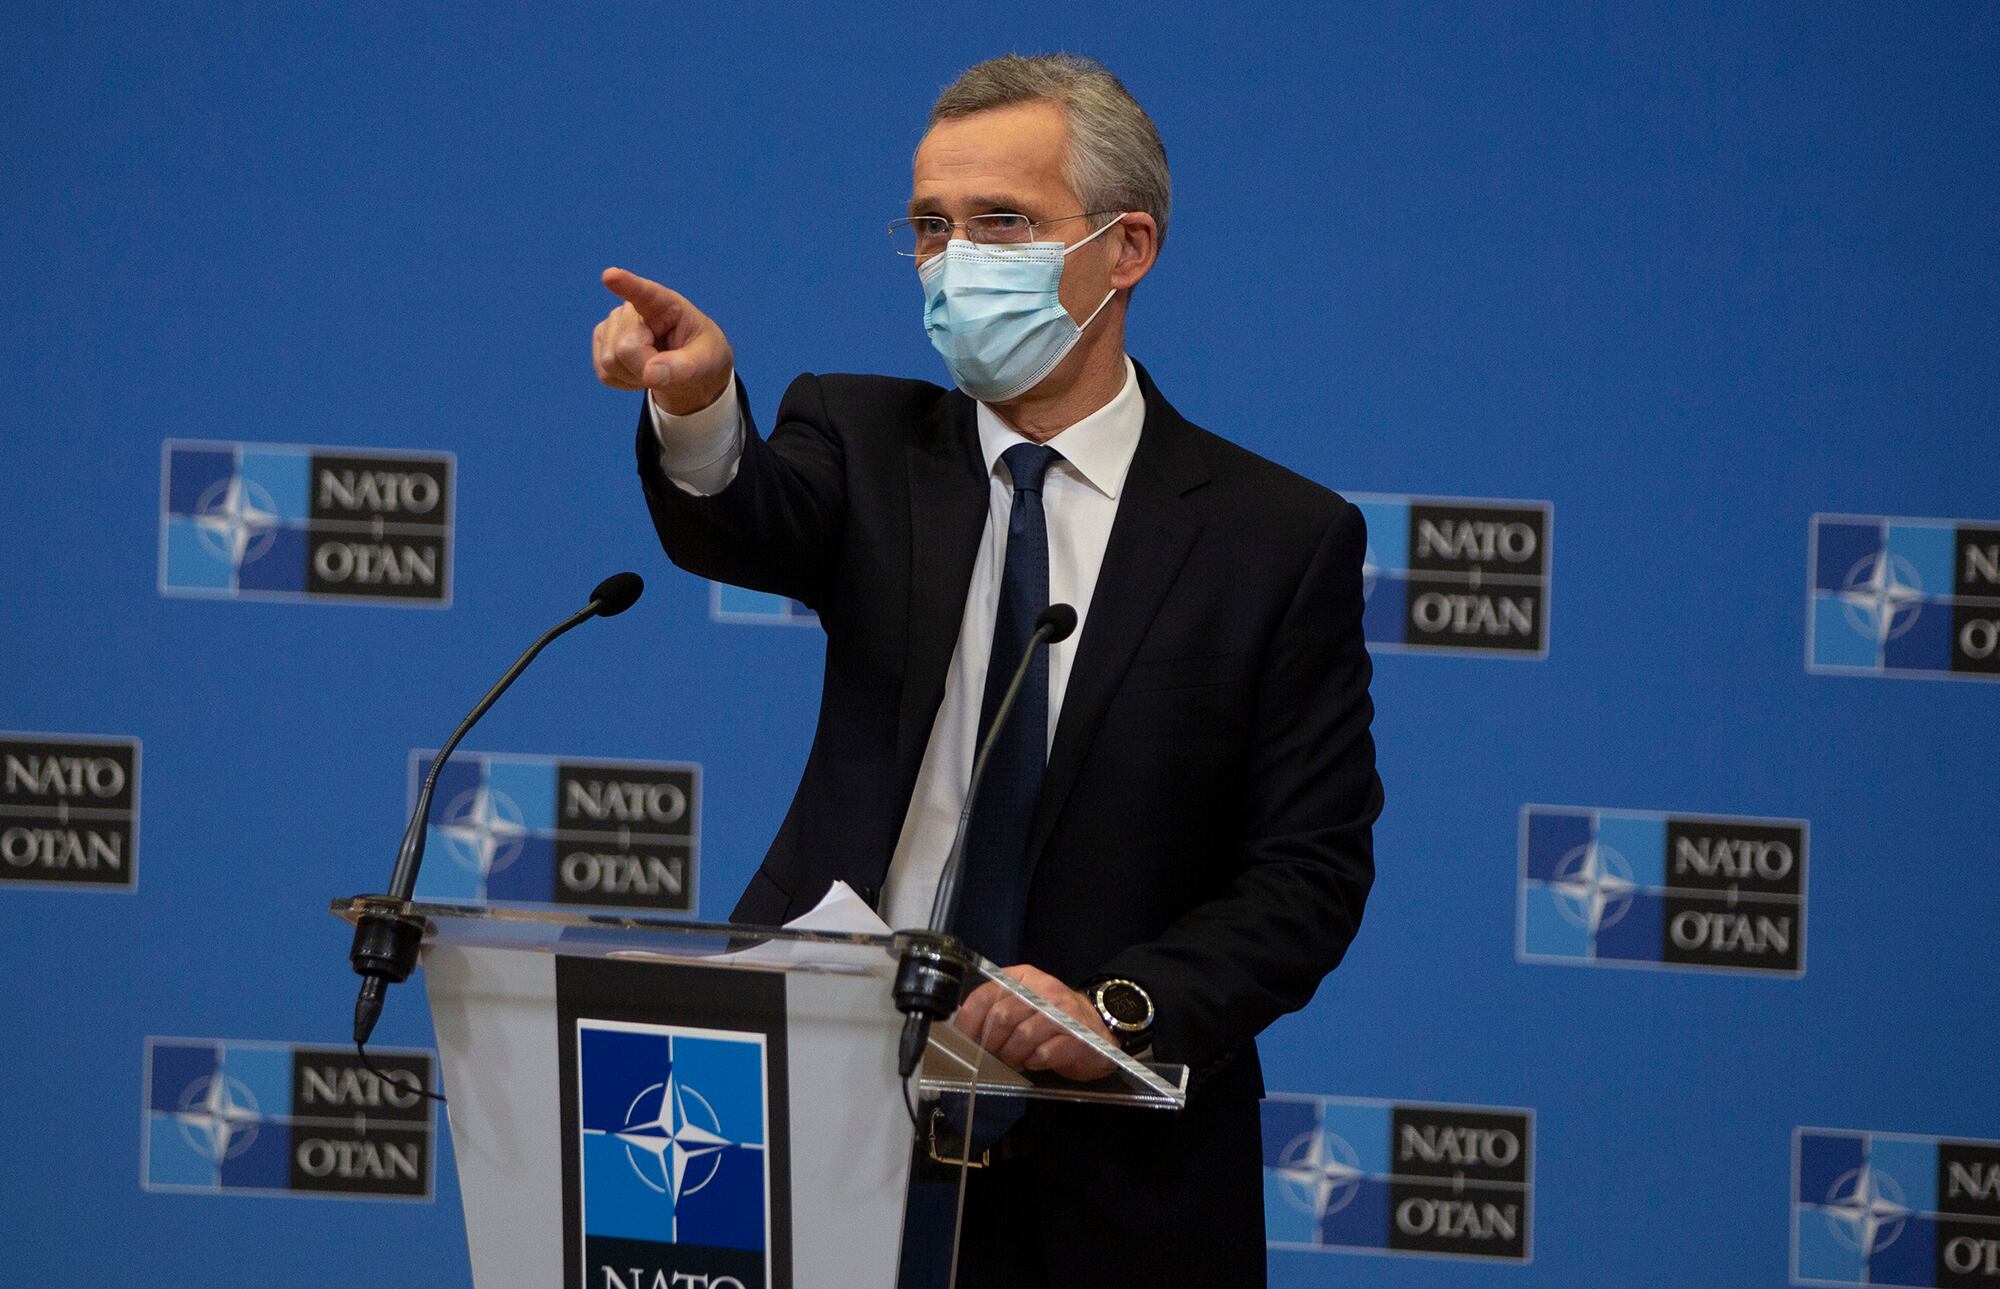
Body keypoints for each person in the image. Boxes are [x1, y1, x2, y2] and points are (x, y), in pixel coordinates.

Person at [592, 52, 1381, 1288]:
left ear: (1126, 250)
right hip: (812, 1120)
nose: (956, 260)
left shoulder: (1274, 540)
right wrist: (693, 410)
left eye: (1000, 222)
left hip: (1103, 1173)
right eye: (929, 226)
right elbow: (742, 510)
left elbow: (1307, 873)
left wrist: (1109, 1009)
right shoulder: (861, 440)